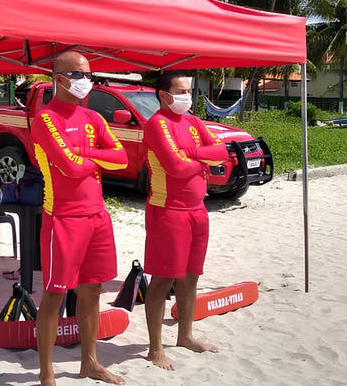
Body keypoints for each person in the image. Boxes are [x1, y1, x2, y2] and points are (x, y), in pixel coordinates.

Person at [30, 51, 128, 386]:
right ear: (58, 78)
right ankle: (47, 373)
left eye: (88, 74)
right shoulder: (45, 118)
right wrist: (94, 159)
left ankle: (90, 363)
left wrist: (85, 154)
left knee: (93, 290)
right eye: (77, 74)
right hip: (63, 219)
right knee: (55, 294)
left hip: (97, 217)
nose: (85, 80)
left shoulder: (93, 118)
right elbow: (69, 169)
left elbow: (122, 158)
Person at [142, 70, 227, 371]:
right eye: (180, 92)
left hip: (197, 210)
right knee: (163, 279)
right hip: (169, 211)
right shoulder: (157, 124)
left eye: (188, 91)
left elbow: (221, 153)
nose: (186, 97)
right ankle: (155, 349)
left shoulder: (192, 121)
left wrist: (191, 153)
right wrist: (199, 160)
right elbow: (175, 168)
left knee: (191, 276)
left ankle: (185, 336)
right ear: (163, 95)